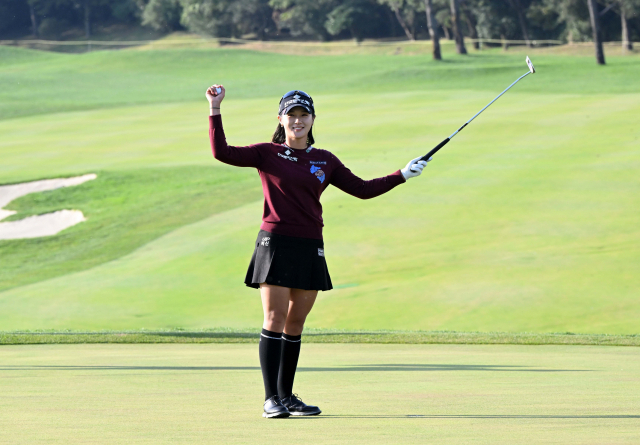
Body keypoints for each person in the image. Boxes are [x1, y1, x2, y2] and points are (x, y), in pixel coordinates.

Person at [206, 85, 429, 418]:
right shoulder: (266, 153)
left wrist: (402, 175)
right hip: (275, 242)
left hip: (310, 245)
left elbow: (363, 190)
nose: (297, 121)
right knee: (274, 319)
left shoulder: (325, 159)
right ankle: (270, 400)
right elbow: (221, 152)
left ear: (312, 120)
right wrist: (215, 108)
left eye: (303, 115)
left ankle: (287, 397)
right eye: (291, 115)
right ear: (281, 119)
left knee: (295, 324)